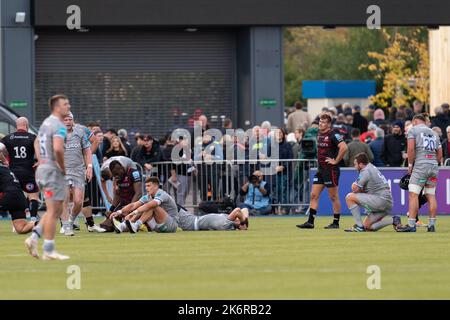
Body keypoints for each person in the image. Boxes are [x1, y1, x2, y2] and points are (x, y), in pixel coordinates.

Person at [25, 94, 71, 260]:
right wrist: (62, 167)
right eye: (66, 104)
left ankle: (34, 238)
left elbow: (37, 142)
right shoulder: (58, 125)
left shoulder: (45, 123)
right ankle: (49, 250)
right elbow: (58, 149)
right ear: (57, 107)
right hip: (52, 171)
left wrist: (41, 160)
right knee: (53, 211)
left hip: (43, 169)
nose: (69, 106)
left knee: (57, 209)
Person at [297, 113, 348, 229]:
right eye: (320, 121)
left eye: (323, 122)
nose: (320, 123)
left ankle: (336, 222)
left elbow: (344, 147)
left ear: (329, 124)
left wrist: (336, 161)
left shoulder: (333, 134)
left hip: (331, 170)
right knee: (314, 195)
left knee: (333, 197)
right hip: (321, 170)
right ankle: (310, 222)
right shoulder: (319, 133)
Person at [59, 112, 105, 236]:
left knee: (79, 201)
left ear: (72, 120)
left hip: (78, 171)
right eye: (65, 119)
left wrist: (88, 166)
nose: (68, 121)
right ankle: (65, 225)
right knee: (64, 198)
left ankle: (71, 221)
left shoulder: (80, 132)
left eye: (70, 119)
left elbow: (87, 150)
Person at [397, 114, 443, 232]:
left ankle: (412, 225)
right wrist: (433, 162)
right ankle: (431, 224)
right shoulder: (434, 133)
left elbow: (411, 149)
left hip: (420, 166)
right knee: (431, 195)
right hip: (433, 166)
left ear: (415, 121)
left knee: (413, 194)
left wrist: (410, 165)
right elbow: (440, 154)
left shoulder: (414, 130)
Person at [344, 153, 399, 232]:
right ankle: (393, 220)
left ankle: (359, 227)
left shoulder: (365, 171)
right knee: (367, 226)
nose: (354, 166)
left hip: (380, 200)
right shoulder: (372, 167)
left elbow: (355, 189)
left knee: (349, 197)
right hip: (387, 203)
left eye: (355, 164)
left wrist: (354, 185)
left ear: (361, 164)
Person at [1, 117, 40, 222]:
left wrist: (4, 161)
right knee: (33, 196)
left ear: (16, 125)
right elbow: (40, 153)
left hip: (13, 173)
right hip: (28, 172)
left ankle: (17, 221)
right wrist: (39, 162)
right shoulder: (33, 137)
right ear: (26, 125)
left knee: (17, 197)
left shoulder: (8, 138)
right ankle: (32, 220)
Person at [110, 176, 179, 233]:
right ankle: (123, 226)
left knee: (151, 206)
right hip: (157, 227)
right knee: (143, 207)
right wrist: (119, 212)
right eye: (146, 186)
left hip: (171, 226)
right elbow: (133, 205)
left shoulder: (162, 194)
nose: (146, 188)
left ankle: (136, 225)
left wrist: (133, 213)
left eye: (148, 186)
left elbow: (150, 205)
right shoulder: (147, 196)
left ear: (156, 186)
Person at [0, 143, 36, 234]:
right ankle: (39, 224)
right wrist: (4, 160)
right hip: (20, 198)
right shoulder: (6, 169)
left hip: (10, 196)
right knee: (21, 229)